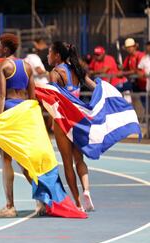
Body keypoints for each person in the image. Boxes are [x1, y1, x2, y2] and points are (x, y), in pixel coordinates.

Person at [0, 33, 45, 217]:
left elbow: (1, 95)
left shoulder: (2, 66)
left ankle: (10, 206)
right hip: (25, 112)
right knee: (25, 160)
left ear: (5, 48)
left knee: (6, 160)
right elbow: (33, 96)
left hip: (9, 111)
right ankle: (43, 200)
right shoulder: (28, 66)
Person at [48, 41, 96, 211]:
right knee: (79, 160)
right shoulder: (77, 69)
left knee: (67, 163)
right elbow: (94, 87)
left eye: (49, 53)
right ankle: (87, 190)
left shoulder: (55, 73)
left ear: (57, 56)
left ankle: (77, 203)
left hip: (62, 122)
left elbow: (53, 99)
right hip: (78, 120)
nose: (47, 56)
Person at [121, 38, 146, 106]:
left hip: (144, 83)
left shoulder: (140, 55)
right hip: (137, 84)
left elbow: (137, 70)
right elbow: (123, 68)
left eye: (130, 47)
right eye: (127, 47)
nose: (129, 49)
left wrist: (124, 73)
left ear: (135, 47)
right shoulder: (129, 57)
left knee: (146, 103)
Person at [137, 41, 150, 109]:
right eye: (147, 46)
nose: (148, 48)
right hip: (148, 86)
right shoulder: (145, 58)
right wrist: (141, 74)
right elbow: (139, 69)